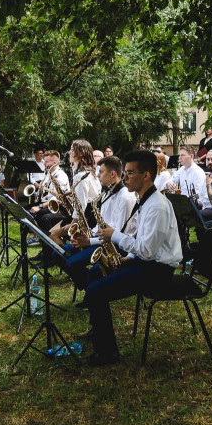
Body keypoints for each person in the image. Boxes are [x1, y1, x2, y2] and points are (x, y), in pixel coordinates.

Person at [85, 150, 182, 366]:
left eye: (129, 173)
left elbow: (147, 250)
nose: (124, 177)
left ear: (145, 175)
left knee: (94, 292)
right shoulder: (145, 200)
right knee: (94, 274)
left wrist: (115, 235)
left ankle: (107, 353)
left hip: (157, 271)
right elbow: (142, 241)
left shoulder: (156, 205)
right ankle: (99, 332)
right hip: (146, 262)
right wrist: (128, 257)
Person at [60, 156, 137, 290]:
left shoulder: (125, 198)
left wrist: (89, 241)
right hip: (101, 239)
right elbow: (101, 224)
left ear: (112, 174)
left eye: (101, 172)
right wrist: (86, 234)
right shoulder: (106, 194)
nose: (97, 175)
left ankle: (90, 288)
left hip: (118, 246)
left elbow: (116, 235)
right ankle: (87, 284)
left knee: (71, 263)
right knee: (59, 253)